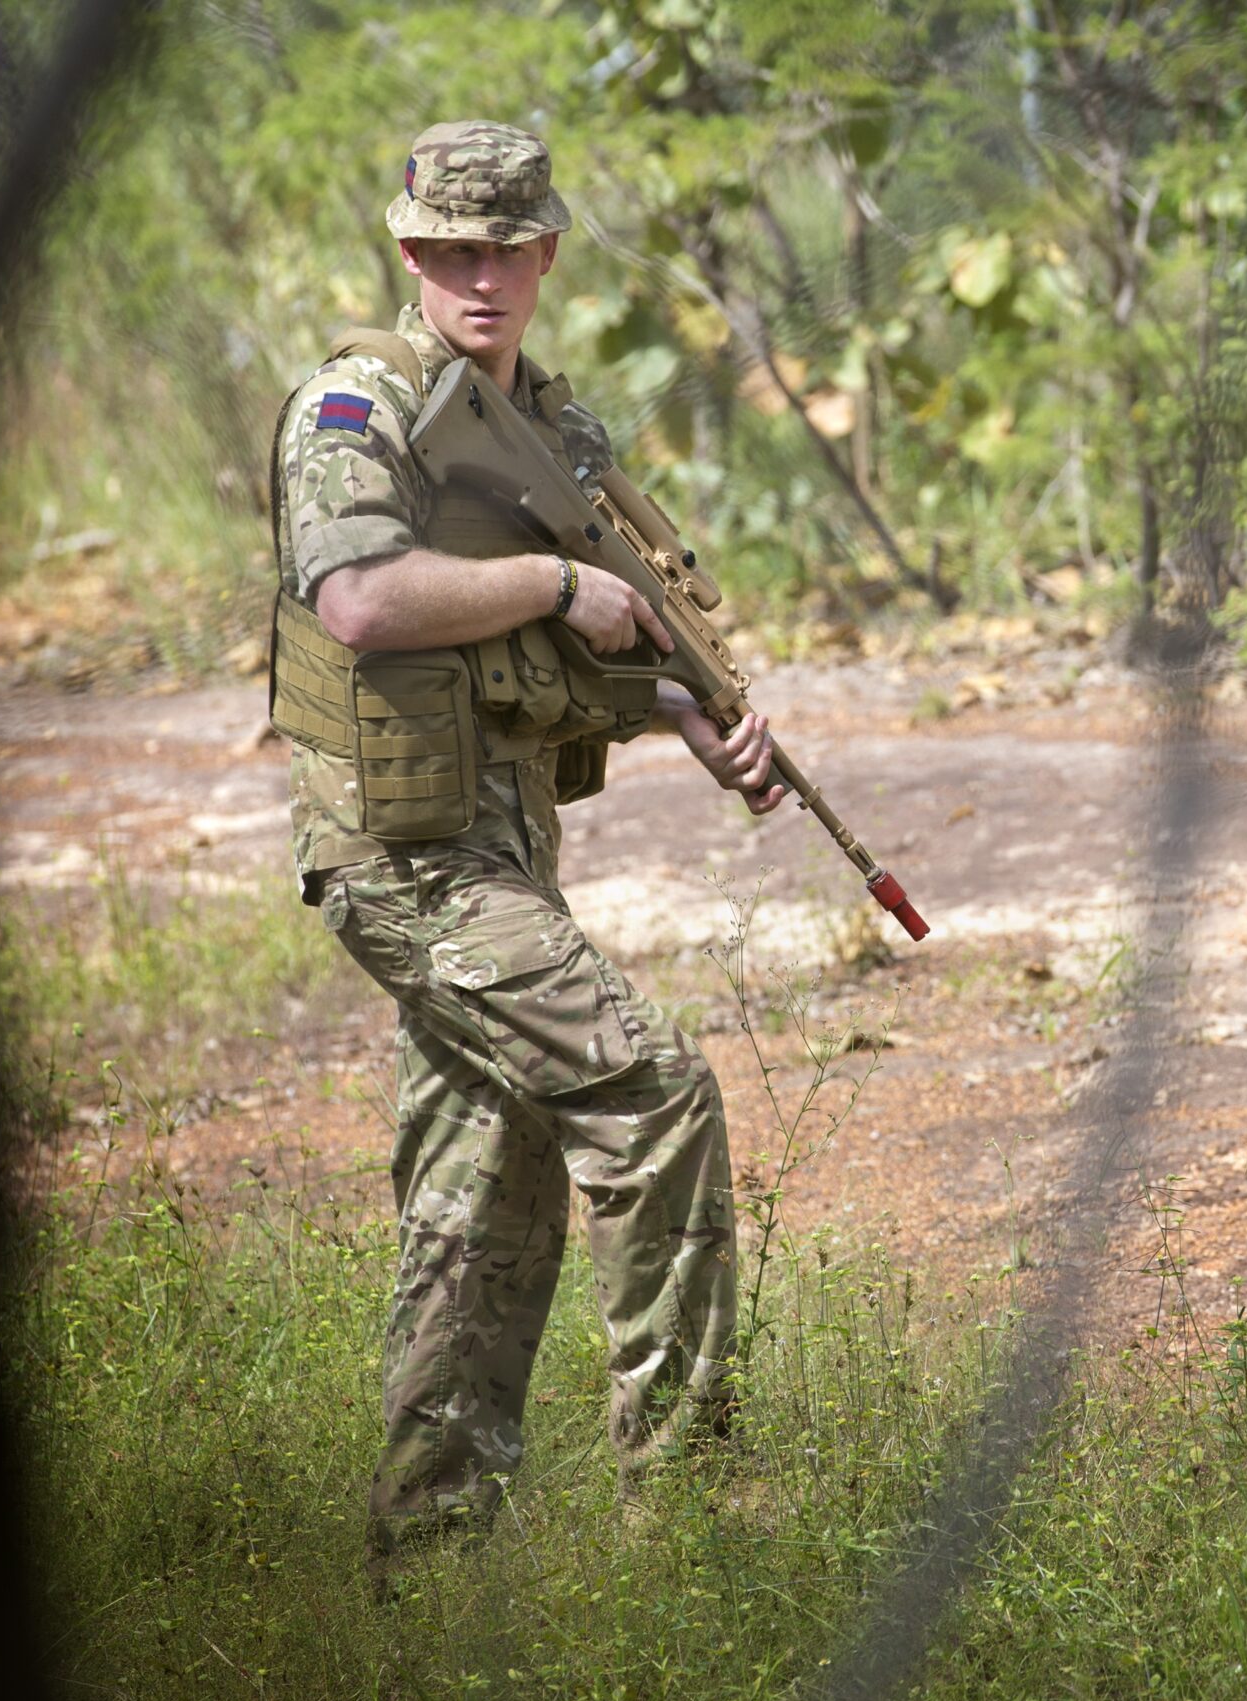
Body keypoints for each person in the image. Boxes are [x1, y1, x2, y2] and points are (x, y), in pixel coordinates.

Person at [266, 119, 784, 1571]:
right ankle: (686, 1520)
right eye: (448, 251)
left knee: (480, 1179)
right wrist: (557, 579)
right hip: (400, 857)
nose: (478, 276)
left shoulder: (553, 430)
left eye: (506, 248)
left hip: (494, 850)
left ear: (549, 251)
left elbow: (567, 646)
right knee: (656, 1092)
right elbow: (363, 603)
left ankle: (430, 1554)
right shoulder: (354, 409)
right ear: (409, 250)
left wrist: (683, 706)